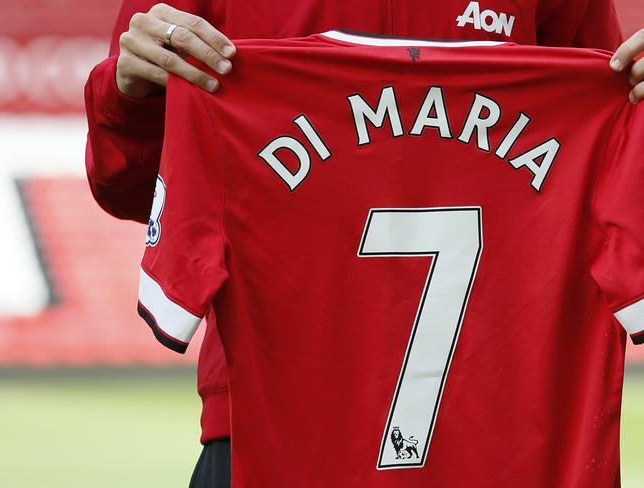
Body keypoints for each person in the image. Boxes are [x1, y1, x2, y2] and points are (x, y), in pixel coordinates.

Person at [83, 2, 644, 486]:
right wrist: (126, 95)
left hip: (511, 429)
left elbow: (610, 159)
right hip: (271, 428)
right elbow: (132, 184)